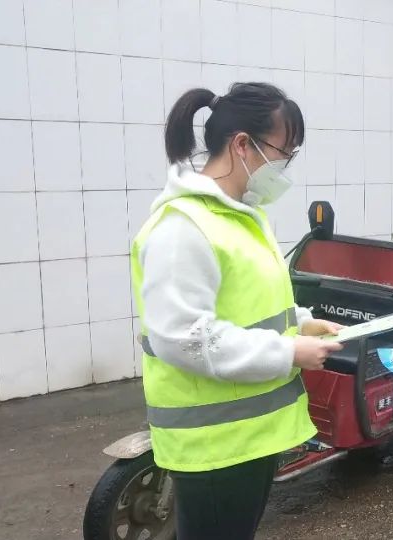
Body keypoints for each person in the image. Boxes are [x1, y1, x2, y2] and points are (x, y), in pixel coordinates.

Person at [130, 82, 343, 539]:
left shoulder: (242, 217)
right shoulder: (182, 229)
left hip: (247, 439)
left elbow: (248, 301)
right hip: (212, 446)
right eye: (283, 152)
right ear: (242, 144)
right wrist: (289, 352)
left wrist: (302, 322)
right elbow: (185, 337)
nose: (285, 166)